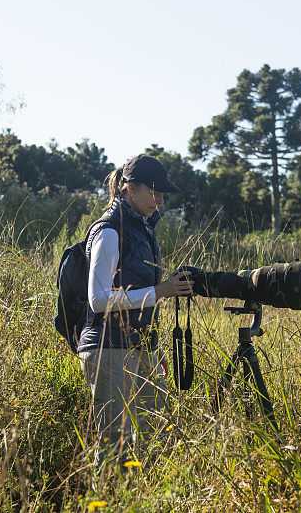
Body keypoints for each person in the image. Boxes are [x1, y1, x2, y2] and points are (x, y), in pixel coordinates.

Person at [78, 154, 193, 470]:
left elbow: (138, 300)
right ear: (129, 188)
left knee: (156, 435)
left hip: (141, 347)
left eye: (162, 194)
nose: (160, 200)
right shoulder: (110, 231)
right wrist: (159, 291)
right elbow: (98, 299)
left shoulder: (143, 230)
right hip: (108, 349)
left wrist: (155, 350)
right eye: (154, 192)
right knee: (117, 448)